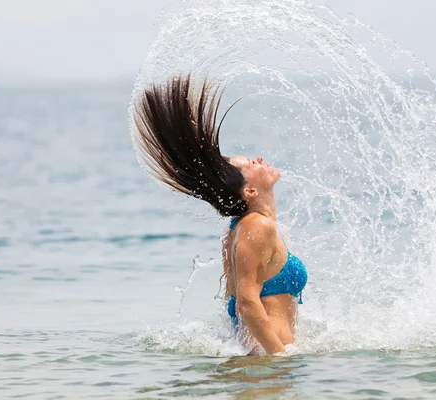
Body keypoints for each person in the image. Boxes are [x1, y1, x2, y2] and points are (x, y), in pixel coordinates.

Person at [132, 74, 307, 355]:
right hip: (265, 367)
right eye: (251, 163)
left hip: (257, 362)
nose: (259, 160)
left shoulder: (244, 227)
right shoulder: (257, 227)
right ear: (249, 191)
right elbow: (246, 303)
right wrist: (279, 357)